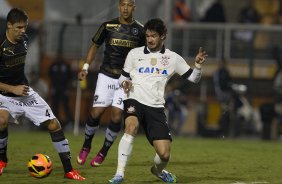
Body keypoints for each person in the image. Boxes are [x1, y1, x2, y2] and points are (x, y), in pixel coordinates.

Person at [109, 18, 207, 184]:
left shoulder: (172, 58)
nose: (149, 39)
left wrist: (197, 65)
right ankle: (119, 174)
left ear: (163, 36)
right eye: (147, 36)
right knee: (131, 126)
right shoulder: (134, 54)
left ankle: (158, 171)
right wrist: (124, 83)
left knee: (164, 154)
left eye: (153, 36)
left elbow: (193, 78)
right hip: (134, 98)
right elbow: (121, 79)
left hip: (155, 107)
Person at [0, 8, 85, 180]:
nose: (23, 31)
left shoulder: (24, 39)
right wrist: (12, 89)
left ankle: (69, 170)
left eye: (25, 27)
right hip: (4, 94)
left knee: (54, 125)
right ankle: (2, 160)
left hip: (24, 92)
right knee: (1, 120)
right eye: (19, 27)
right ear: (9, 25)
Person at [77, 0, 145, 167]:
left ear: (134, 8)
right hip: (106, 75)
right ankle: (86, 145)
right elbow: (95, 46)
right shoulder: (107, 26)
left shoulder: (140, 30)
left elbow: (142, 57)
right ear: (119, 7)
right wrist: (86, 67)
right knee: (96, 112)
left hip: (125, 79)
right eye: (123, 4)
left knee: (116, 115)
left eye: (129, 5)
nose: (126, 8)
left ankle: (103, 151)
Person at [49, 53, 72, 127]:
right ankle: (56, 121)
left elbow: (70, 76)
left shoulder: (66, 65)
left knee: (66, 105)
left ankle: (69, 122)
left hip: (64, 88)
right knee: (55, 105)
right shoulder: (53, 65)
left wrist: (67, 86)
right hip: (55, 88)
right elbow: (50, 76)